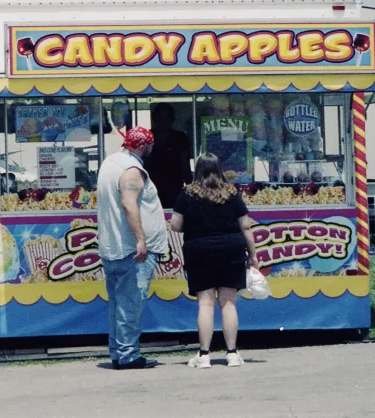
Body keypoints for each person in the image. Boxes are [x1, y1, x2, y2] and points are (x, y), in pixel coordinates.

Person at [170, 153, 259, 369]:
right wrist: (253, 255)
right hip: (231, 248)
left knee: (205, 303)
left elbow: (175, 225)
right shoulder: (231, 193)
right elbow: (245, 226)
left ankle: (204, 355)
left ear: (197, 170)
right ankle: (232, 354)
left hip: (199, 250)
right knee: (228, 302)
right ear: (219, 169)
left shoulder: (187, 194)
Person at [96, 126, 169, 370]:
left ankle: (118, 352)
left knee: (118, 303)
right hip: (131, 250)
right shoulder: (132, 171)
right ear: (141, 145)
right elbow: (129, 204)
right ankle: (128, 355)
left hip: (112, 246)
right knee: (131, 303)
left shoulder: (110, 163)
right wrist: (141, 240)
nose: (152, 148)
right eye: (150, 144)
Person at [142, 103, 192, 209]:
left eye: (167, 118)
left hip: (174, 185)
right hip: (151, 185)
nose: (163, 122)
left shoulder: (180, 138)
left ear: (172, 119)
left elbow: (185, 163)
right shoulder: (148, 137)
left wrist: (190, 186)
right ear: (154, 120)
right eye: (160, 118)